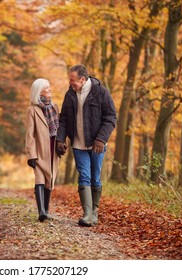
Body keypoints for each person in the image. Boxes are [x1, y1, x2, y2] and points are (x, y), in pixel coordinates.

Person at [56, 64, 117, 227]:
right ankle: (87, 214)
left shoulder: (101, 92)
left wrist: (101, 139)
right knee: (84, 175)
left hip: (97, 144)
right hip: (78, 144)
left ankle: (94, 213)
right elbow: (63, 119)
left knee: (95, 177)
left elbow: (111, 117)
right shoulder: (70, 94)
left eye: (72, 80)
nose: (70, 83)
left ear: (82, 79)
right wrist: (60, 139)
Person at [25, 78, 60, 222]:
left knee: (50, 179)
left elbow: (59, 129)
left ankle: (46, 210)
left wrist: (62, 144)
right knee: (39, 177)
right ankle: (41, 212)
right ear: (39, 91)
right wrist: (31, 155)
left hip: (53, 147)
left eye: (50, 87)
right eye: (47, 88)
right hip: (39, 149)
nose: (50, 89)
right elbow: (30, 134)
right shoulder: (32, 110)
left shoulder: (55, 107)